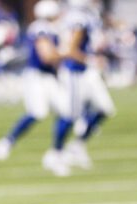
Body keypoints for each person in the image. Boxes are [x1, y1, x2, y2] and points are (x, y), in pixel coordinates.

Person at [44, 0, 116, 176]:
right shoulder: (78, 18)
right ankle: (55, 153)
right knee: (70, 115)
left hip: (85, 71)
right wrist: (91, 60)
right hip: (75, 72)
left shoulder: (84, 15)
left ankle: (76, 146)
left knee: (105, 108)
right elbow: (70, 49)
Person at [0, 0, 62, 161]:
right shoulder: (41, 28)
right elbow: (47, 56)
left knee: (67, 111)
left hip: (49, 77)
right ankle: (8, 141)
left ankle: (59, 152)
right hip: (38, 76)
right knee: (38, 112)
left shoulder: (52, 28)